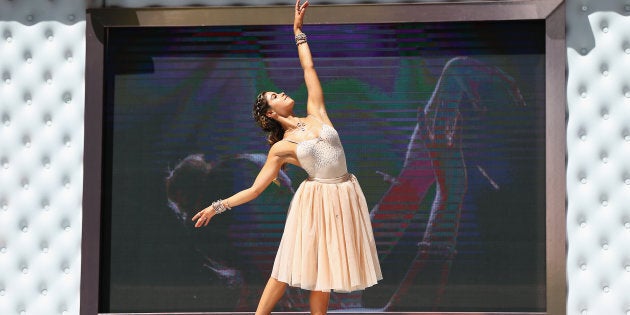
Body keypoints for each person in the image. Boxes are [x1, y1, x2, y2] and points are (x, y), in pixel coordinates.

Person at [190, 1, 383, 314]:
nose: (280, 93)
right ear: (271, 112)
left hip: (344, 193)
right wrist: (217, 206)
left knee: (326, 274)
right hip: (315, 200)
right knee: (286, 267)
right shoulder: (281, 148)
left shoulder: (317, 112)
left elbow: (309, 68)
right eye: (274, 96)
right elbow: (255, 190)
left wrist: (298, 33)